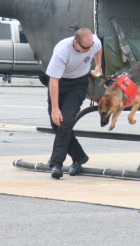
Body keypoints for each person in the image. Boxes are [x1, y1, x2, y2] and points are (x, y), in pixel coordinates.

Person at [46, 28, 102, 179]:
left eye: (90, 47)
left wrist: (98, 65)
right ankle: (79, 157)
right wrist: (55, 108)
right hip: (60, 83)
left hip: (79, 84)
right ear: (75, 43)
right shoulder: (62, 51)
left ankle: (56, 164)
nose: (88, 50)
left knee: (66, 122)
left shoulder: (93, 43)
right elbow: (54, 81)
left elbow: (98, 48)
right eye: (85, 48)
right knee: (56, 122)